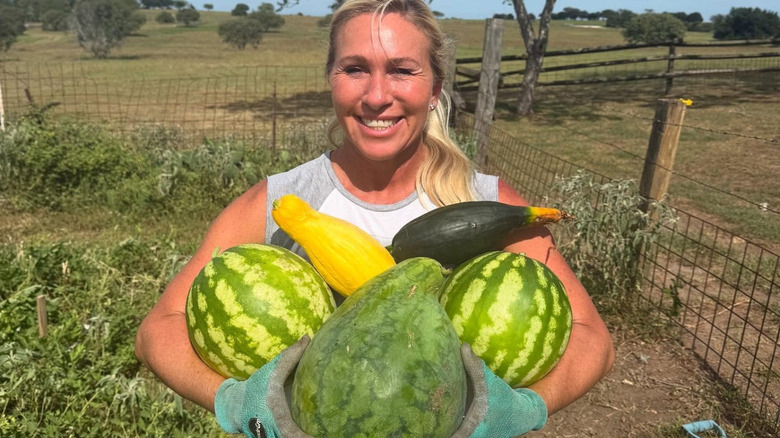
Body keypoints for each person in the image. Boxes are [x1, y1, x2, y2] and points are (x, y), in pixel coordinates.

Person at [135, 0, 615, 437]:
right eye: (355, 69)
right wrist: (240, 403)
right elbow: (159, 329)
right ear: (331, 80)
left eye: (402, 70)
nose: (377, 96)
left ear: (435, 89)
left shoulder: (490, 208)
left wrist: (518, 410)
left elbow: (594, 341)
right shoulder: (279, 201)